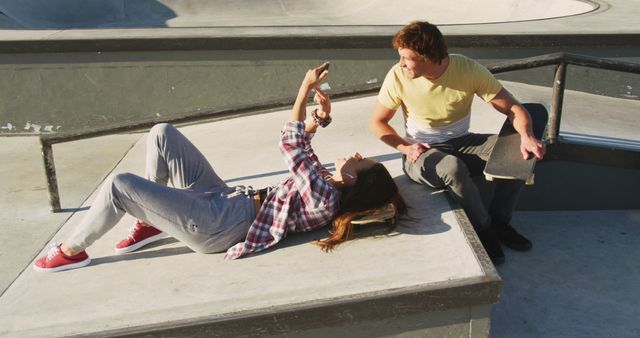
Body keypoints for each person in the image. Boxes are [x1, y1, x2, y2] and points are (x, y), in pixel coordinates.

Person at [34, 63, 407, 272]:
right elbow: (303, 150)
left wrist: (303, 89)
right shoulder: (327, 186)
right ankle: (149, 220)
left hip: (219, 225)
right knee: (162, 133)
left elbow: (289, 145)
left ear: (354, 179)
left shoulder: (325, 197)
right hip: (226, 199)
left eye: (360, 160)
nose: (354, 154)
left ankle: (71, 250)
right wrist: (319, 120)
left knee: (120, 185)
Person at [369, 21, 545, 265]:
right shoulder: (398, 76)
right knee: (452, 167)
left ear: (427, 56)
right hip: (421, 153)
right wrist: (405, 146)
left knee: (519, 153)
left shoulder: (466, 69)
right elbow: (378, 123)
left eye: (406, 58)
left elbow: (514, 108)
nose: (401, 63)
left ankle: (500, 222)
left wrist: (527, 136)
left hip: (464, 143)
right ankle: (484, 230)